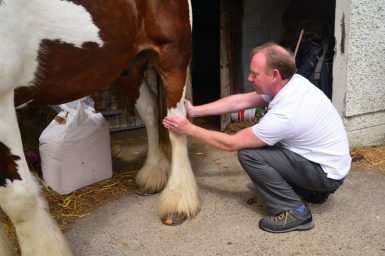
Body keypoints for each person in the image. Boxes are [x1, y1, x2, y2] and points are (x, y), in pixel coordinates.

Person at [162, 42, 351, 233]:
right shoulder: (293, 83)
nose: (249, 77)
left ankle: (295, 211)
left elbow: (231, 143)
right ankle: (314, 192)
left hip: (324, 174)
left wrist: (189, 129)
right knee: (272, 147)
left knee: (250, 154)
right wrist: (195, 111)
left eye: (255, 74)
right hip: (329, 166)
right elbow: (241, 101)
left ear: (275, 75)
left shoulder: (286, 114)